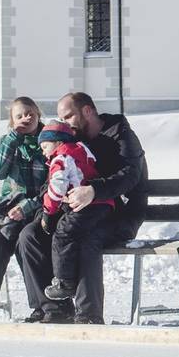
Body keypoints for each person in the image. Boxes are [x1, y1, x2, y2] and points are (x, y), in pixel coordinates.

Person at [18, 91, 149, 324]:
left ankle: (88, 315)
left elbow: (130, 176)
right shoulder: (72, 141)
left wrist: (94, 191)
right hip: (78, 212)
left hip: (119, 214)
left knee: (87, 238)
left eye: (68, 116)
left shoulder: (121, 136)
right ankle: (54, 309)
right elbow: (55, 177)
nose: (64, 122)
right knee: (31, 235)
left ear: (87, 111)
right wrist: (48, 207)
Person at [0, 96, 44, 321]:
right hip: (10, 213)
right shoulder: (9, 141)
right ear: (12, 121)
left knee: (26, 241)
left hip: (38, 211)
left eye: (30, 113)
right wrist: (13, 139)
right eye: (20, 115)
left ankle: (41, 307)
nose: (26, 118)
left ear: (38, 115)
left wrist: (28, 206)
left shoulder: (48, 140)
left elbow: (54, 184)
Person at [37, 120, 103, 304]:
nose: (43, 152)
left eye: (45, 146)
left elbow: (56, 188)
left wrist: (48, 213)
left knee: (63, 233)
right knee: (74, 234)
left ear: (58, 143)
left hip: (88, 205)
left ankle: (65, 283)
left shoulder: (61, 158)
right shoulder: (81, 149)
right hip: (100, 204)